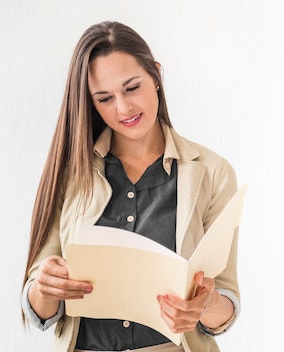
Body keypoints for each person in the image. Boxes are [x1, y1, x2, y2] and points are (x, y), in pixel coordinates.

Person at [20, 21, 240, 352]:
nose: (123, 108)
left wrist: (205, 304)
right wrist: (44, 288)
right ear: (90, 103)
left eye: (132, 87)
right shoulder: (69, 175)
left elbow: (226, 299)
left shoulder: (213, 173)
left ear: (156, 76)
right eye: (105, 98)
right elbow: (40, 312)